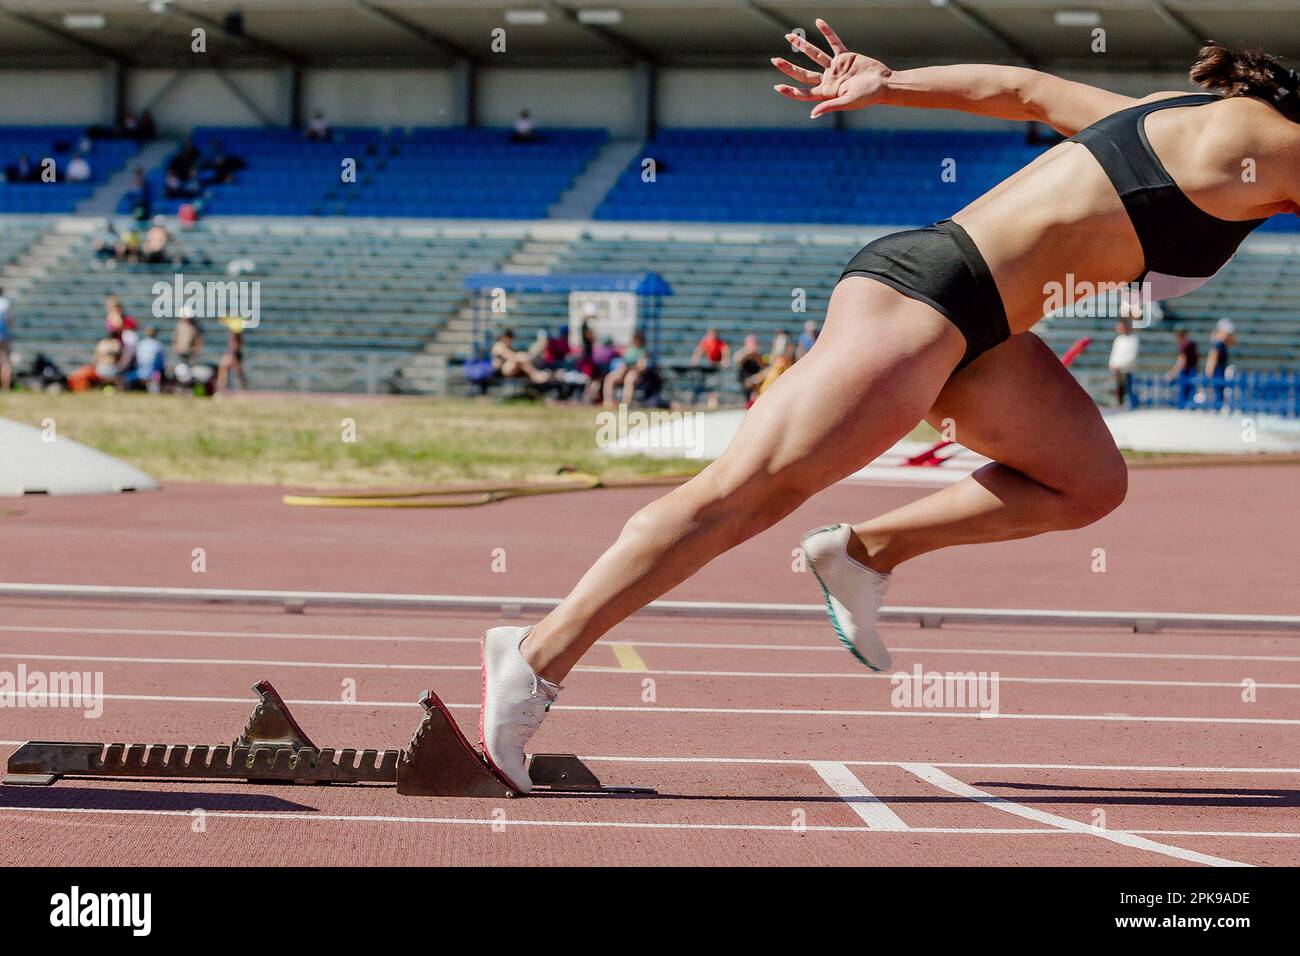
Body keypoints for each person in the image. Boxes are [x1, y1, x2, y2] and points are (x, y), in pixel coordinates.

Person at [472, 20, 1300, 794]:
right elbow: (1026, 92)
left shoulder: (1190, 115)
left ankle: (865, 552)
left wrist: (892, 83)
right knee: (740, 497)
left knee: (1085, 482)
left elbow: (1024, 89)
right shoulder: (1280, 146)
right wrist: (892, 85)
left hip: (982, 331)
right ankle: (536, 654)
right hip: (928, 299)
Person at [602, 332, 650, 408]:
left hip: (636, 373)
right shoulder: (630, 349)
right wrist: (623, 369)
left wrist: (629, 368)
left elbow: (641, 367)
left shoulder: (643, 351)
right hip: (624, 371)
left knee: (629, 379)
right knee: (609, 378)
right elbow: (623, 361)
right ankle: (608, 402)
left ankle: (625, 404)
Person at [1205, 317, 1236, 407]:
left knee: (1220, 390)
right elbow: (1213, 357)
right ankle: (1217, 407)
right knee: (1217, 390)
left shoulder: (1222, 343)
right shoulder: (1218, 343)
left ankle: (1218, 406)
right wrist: (1209, 370)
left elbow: (1233, 342)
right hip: (1217, 370)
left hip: (1221, 369)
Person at [1107, 319, 1139, 407]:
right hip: (1116, 371)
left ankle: (1131, 406)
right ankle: (1119, 405)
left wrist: (1120, 366)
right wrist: (1112, 365)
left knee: (1128, 390)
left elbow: (1132, 356)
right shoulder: (1118, 339)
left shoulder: (1133, 339)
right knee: (1118, 391)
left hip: (1126, 370)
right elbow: (1114, 354)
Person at [1167, 328, 1200, 407]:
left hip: (1187, 371)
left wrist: (1172, 373)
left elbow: (1182, 361)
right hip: (1192, 369)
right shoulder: (1192, 344)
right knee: (1191, 389)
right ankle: (1190, 406)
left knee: (1185, 390)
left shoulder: (1184, 345)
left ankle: (1184, 406)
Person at [217, 317, 248, 392]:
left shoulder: (235, 333)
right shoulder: (237, 332)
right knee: (233, 371)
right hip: (234, 353)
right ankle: (224, 387)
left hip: (234, 353)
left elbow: (234, 346)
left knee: (229, 370)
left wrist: (233, 355)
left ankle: (221, 388)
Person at [0, 287, 12, 392]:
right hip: (3, 335)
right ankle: (5, 387)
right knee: (5, 361)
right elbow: (9, 320)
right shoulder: (5, 303)